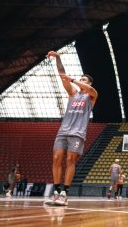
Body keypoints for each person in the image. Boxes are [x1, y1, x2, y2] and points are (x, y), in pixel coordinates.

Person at [45, 50, 98, 206]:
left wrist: (74, 79)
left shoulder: (92, 95)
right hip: (64, 130)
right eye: (80, 79)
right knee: (56, 159)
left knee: (70, 160)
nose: (81, 80)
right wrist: (58, 58)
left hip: (77, 132)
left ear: (89, 84)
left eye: (84, 80)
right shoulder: (73, 94)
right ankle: (55, 191)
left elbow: (75, 81)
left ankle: (64, 193)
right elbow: (62, 74)